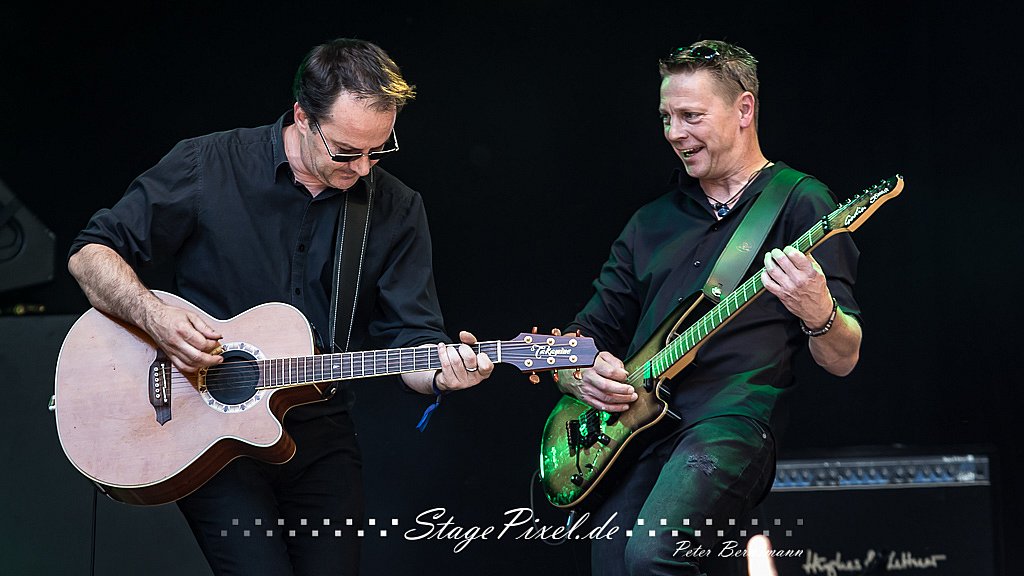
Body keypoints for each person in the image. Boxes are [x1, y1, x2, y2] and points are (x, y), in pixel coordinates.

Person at [67, 38, 492, 575]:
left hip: (321, 435)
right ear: (302, 118)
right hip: (206, 429)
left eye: (378, 150)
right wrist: (155, 315)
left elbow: (413, 339)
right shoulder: (208, 165)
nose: (364, 168)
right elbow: (90, 254)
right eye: (346, 151)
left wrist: (441, 372)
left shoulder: (397, 208)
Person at [553, 39, 862, 575]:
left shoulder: (801, 202)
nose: (674, 133)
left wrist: (819, 311)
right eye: (666, 118)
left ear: (744, 109)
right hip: (638, 426)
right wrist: (579, 375)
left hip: (730, 420)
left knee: (653, 554)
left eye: (691, 116)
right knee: (613, 564)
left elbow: (844, 358)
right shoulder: (650, 222)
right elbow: (586, 333)